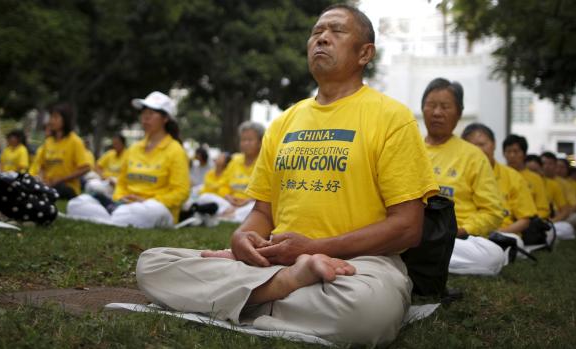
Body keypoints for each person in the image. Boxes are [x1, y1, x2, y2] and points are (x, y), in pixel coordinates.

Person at [136, 5, 438, 346]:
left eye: (336, 31)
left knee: (366, 312)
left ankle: (249, 298)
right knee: (152, 265)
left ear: (364, 53)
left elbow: (408, 228)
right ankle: (284, 287)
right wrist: (243, 238)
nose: (321, 37)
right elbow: (263, 212)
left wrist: (315, 248)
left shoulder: (392, 118)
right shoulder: (284, 122)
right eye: (316, 32)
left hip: (358, 267)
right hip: (275, 263)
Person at [67, 91, 190, 228]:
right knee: (77, 203)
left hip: (156, 208)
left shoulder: (175, 150)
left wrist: (146, 200)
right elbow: (121, 182)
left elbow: (181, 192)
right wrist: (120, 198)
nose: (145, 118)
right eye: (144, 114)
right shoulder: (134, 148)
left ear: (165, 118)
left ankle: (109, 217)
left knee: (144, 211)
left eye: (151, 114)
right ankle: (115, 218)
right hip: (125, 205)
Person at [422, 78, 505, 276]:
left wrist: (460, 230)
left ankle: (419, 261)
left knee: (493, 257)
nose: (437, 113)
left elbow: (493, 212)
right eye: (431, 105)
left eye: (445, 106)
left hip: (456, 239)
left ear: (459, 113)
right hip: (411, 235)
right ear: (423, 109)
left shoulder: (473, 156)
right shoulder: (407, 148)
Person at [462, 123, 536, 251]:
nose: (478, 150)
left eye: (482, 144)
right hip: (465, 233)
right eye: (471, 146)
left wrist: (498, 232)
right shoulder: (457, 175)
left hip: (502, 234)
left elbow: (525, 219)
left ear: (494, 144)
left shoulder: (513, 177)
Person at [195, 121, 264, 222]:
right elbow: (224, 184)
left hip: (250, 203)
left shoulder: (264, 162)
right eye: (243, 140)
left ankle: (228, 215)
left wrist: (247, 201)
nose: (245, 143)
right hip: (230, 203)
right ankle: (231, 215)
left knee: (259, 208)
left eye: (250, 140)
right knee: (204, 197)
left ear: (260, 142)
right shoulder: (235, 160)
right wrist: (228, 197)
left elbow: (265, 192)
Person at [29, 103, 91, 199]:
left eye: (55, 118)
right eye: (51, 117)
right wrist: (41, 179)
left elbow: (86, 168)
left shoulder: (75, 141)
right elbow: (42, 166)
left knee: (56, 189)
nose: (51, 121)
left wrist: (60, 179)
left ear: (65, 120)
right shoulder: (48, 142)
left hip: (67, 187)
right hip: (48, 184)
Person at [503, 136, 551, 222]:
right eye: (508, 151)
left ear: (524, 154)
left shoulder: (535, 179)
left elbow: (543, 209)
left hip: (529, 222)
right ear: (504, 154)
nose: (512, 155)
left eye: (516, 151)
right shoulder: (497, 175)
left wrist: (528, 220)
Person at [540, 152, 576, 239]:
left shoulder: (562, 183)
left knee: (573, 220)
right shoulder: (535, 181)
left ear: (555, 166)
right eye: (544, 163)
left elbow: (571, 206)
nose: (546, 166)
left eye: (550, 164)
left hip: (559, 216)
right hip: (540, 217)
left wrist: (555, 219)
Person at [555, 158, 576, 228]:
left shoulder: (570, 184)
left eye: (562, 167)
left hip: (566, 213)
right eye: (557, 166)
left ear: (567, 170)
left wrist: (563, 214)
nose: (558, 170)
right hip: (551, 213)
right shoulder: (545, 180)